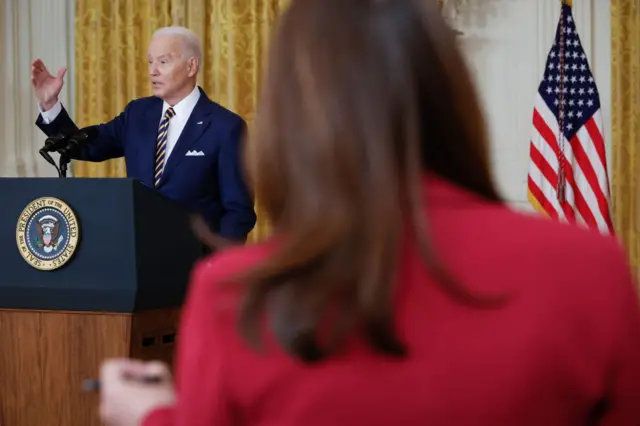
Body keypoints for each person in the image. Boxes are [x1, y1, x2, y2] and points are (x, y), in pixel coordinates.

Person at [98, 0, 640, 425]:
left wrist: (153, 415)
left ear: (295, 117)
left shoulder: (231, 296)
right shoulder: (590, 269)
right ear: (453, 97)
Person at [31, 26, 256, 242]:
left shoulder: (225, 126)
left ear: (191, 66)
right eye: (150, 61)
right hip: (138, 259)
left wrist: (220, 267)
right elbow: (85, 145)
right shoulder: (137, 114)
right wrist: (50, 103)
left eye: (163, 61)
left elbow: (237, 211)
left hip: (198, 264)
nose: (152, 71)